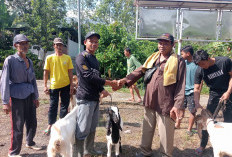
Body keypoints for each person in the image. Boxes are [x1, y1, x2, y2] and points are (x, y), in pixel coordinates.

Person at [115, 33, 186, 157]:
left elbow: (181, 84)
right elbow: (140, 71)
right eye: (160, 43)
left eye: (165, 43)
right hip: (150, 99)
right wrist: (125, 80)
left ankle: (165, 154)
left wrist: (177, 104)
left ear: (172, 44)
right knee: (147, 128)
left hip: (166, 102)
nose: (162, 46)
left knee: (166, 132)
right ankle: (145, 151)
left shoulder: (178, 61)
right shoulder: (153, 58)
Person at [73, 32, 118, 157]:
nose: (94, 44)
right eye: (91, 41)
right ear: (85, 42)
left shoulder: (94, 59)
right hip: (85, 98)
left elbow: (96, 78)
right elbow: (88, 76)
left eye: (96, 42)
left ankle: (89, 149)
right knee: (82, 128)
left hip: (94, 98)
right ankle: (79, 153)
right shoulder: (81, 57)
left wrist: (102, 89)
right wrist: (110, 82)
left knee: (92, 127)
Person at [0, 34, 42, 157]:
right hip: (17, 96)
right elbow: (4, 81)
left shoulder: (29, 61)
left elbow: (33, 80)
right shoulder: (10, 60)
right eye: (21, 43)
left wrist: (36, 96)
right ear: (15, 45)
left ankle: (30, 142)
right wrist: (5, 101)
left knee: (32, 121)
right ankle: (13, 152)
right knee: (18, 125)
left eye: (26, 43)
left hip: (30, 95)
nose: (24, 46)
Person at [193, 50, 232, 155]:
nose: (201, 66)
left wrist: (228, 92)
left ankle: (229, 145)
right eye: (199, 65)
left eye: (202, 63)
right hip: (214, 94)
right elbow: (196, 88)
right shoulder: (200, 70)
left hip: (229, 93)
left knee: (229, 121)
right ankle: (202, 145)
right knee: (207, 121)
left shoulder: (225, 61)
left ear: (208, 58)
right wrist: (197, 103)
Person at [43, 37, 74, 135]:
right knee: (53, 106)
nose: (59, 47)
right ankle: (50, 124)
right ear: (54, 46)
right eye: (57, 45)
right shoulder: (49, 58)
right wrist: (45, 85)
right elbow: (46, 73)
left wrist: (72, 85)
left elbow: (70, 73)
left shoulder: (67, 58)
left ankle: (62, 123)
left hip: (65, 84)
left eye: (61, 45)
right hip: (54, 85)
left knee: (65, 105)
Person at [175, 45, 199, 136]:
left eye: (182, 54)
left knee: (192, 110)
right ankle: (177, 124)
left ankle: (189, 129)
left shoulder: (197, 64)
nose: (181, 55)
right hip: (183, 90)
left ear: (188, 54)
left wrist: (198, 93)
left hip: (192, 91)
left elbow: (200, 81)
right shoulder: (183, 62)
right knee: (181, 108)